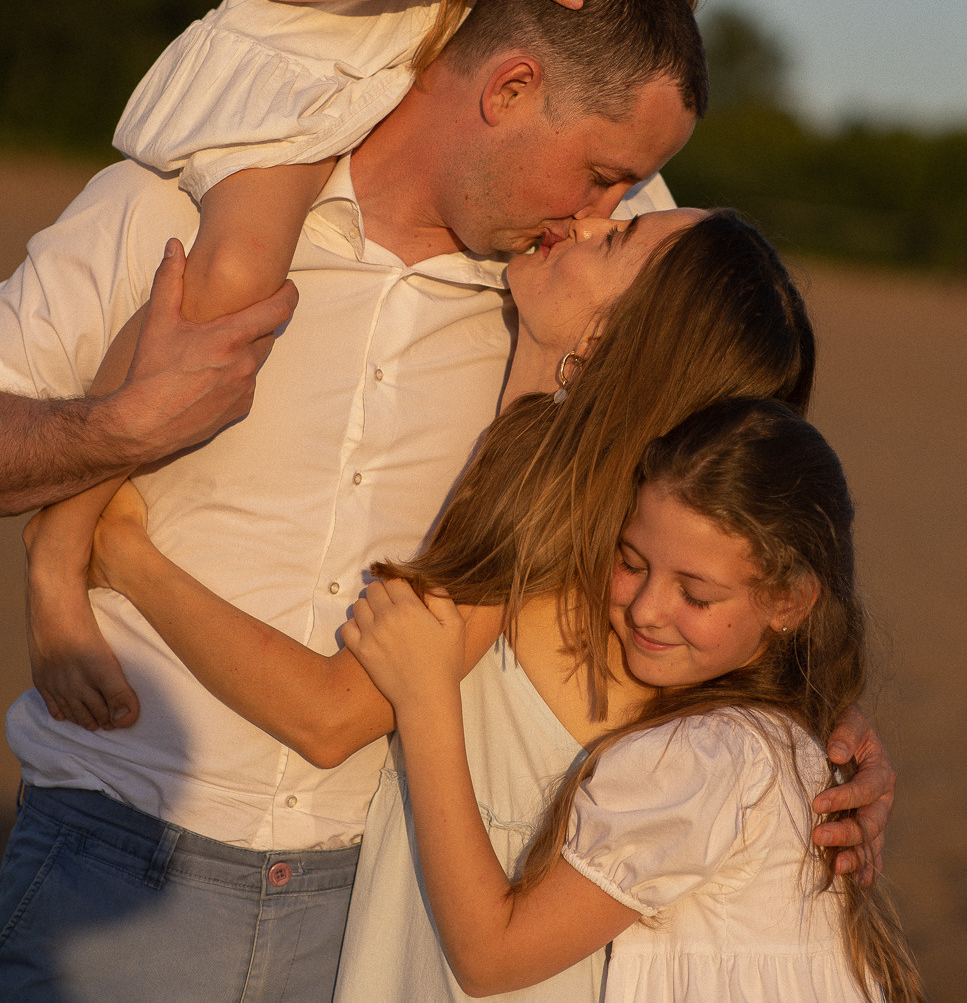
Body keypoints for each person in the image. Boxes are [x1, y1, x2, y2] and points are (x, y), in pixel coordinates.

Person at [25, 0, 845, 732]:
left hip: (446, 69)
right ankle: (60, 557)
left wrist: (808, 708)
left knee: (664, 294)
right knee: (232, 280)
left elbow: (694, 341)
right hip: (314, 60)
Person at [0, 0, 711, 1003]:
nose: (608, 209)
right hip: (111, 873)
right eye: (602, 173)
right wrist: (114, 427)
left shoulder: (565, 314)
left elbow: (723, 531)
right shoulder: (173, 206)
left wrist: (811, 736)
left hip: (376, 913)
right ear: (508, 89)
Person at [79, 209, 892, 1003]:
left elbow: (329, 713)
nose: (577, 222)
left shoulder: (549, 546)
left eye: (613, 237)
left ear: (618, 339)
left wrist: (123, 557)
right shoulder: (633, 556)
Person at [343, 399, 924, 1002]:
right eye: (631, 562)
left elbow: (491, 958)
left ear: (789, 602)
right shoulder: (788, 740)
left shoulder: (706, 755)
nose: (647, 609)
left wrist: (426, 698)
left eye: (695, 596)